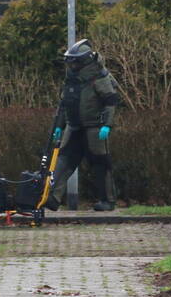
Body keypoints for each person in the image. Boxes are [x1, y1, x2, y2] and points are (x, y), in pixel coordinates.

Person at [46, 39, 119, 211]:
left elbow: (111, 101)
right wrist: (59, 126)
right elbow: (65, 104)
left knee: (100, 163)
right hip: (73, 126)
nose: (71, 65)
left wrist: (107, 125)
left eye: (74, 61)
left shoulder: (99, 76)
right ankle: (52, 197)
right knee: (63, 161)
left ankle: (107, 201)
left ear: (84, 60)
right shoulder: (71, 79)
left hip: (95, 127)